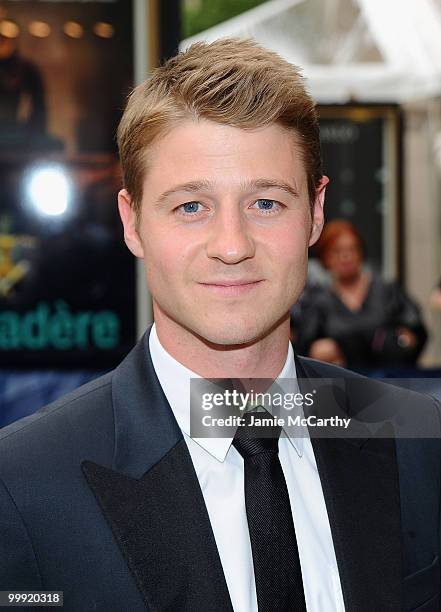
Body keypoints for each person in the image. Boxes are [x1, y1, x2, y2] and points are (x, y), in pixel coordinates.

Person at [0, 39, 440, 612]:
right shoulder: (22, 484)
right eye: (191, 207)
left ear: (316, 212)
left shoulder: (417, 438)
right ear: (132, 223)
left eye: (265, 204)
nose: (232, 247)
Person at [292, 220, 427, 369]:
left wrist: (399, 343)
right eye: (336, 251)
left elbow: (416, 333)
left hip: (389, 379)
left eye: (352, 249)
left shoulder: (386, 290)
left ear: (361, 252)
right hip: (339, 384)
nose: (346, 257)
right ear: (325, 258)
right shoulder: (318, 300)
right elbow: (307, 349)